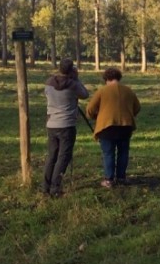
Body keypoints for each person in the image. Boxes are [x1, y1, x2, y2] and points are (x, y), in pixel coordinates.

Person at [86, 68, 141, 188]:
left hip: (107, 127)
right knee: (123, 152)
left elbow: (90, 109)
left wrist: (96, 117)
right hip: (125, 126)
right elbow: (137, 107)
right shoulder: (128, 91)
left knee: (108, 154)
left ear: (106, 79)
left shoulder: (102, 91)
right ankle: (121, 178)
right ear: (119, 78)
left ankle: (109, 180)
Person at [42, 58, 89, 197]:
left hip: (51, 124)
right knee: (63, 157)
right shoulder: (73, 84)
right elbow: (85, 95)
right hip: (67, 125)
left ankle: (45, 186)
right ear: (71, 70)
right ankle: (55, 188)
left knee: (52, 156)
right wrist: (77, 78)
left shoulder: (49, 83)